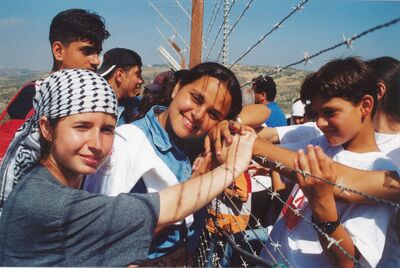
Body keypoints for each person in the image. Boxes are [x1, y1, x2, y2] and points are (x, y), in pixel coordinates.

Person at [0, 68, 256, 266]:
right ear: (46, 128)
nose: (97, 144)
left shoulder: (49, 184)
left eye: (107, 129)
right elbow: (163, 208)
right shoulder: (48, 203)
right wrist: (231, 168)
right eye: (81, 127)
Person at [84, 62, 245, 264]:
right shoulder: (129, 143)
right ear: (177, 88)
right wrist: (194, 184)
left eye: (213, 114)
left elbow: (259, 114)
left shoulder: (194, 144)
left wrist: (225, 125)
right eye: (196, 98)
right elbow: (105, 240)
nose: (198, 114)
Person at [259, 57, 399, 267]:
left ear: (365, 105)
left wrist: (322, 206)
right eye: (316, 114)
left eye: (330, 112)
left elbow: (347, 262)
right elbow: (276, 155)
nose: (320, 123)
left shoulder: (380, 169)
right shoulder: (322, 144)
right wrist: (243, 137)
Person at [0, 8, 110, 215]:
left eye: (98, 52)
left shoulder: (87, 96)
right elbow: (16, 168)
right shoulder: (35, 96)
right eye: (87, 51)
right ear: (58, 51)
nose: (96, 60)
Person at [97, 48, 144, 125]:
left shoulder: (137, 105)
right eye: (137, 74)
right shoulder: (93, 108)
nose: (141, 80)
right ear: (119, 75)